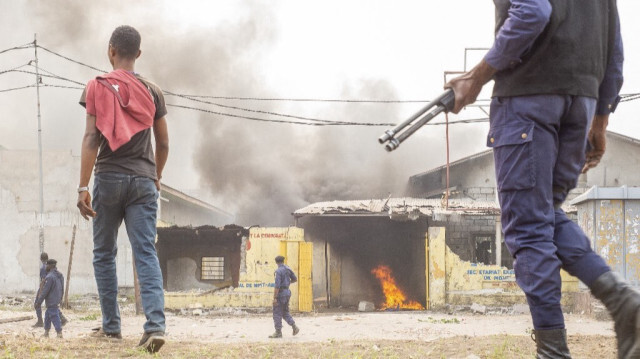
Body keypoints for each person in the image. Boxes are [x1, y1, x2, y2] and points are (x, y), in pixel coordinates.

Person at [445, 1, 633, 357]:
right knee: (544, 215)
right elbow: (615, 47)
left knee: (529, 228)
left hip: (528, 102)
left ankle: (553, 352)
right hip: (581, 103)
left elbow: (533, 11)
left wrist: (476, 77)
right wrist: (600, 118)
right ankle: (623, 302)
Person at [77, 25, 169, 353]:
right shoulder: (153, 91)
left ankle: (112, 328)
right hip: (144, 181)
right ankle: (155, 325)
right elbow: (164, 143)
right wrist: (155, 176)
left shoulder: (96, 87)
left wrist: (82, 187)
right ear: (139, 54)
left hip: (109, 178)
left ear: (111, 50)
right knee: (145, 251)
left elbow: (91, 138)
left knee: (104, 253)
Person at [33, 253, 68, 328]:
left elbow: (43, 281)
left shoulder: (43, 268)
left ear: (41, 259)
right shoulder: (57, 271)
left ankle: (40, 321)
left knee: (37, 303)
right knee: (52, 306)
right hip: (54, 289)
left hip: (46, 287)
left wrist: (40, 294)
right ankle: (62, 318)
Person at [269, 255, 300, 338]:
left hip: (281, 293)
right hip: (287, 292)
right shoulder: (288, 269)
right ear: (283, 261)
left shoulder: (278, 271)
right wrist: (287, 283)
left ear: (276, 262)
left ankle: (278, 332)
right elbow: (295, 279)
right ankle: (294, 327)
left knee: (277, 313)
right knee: (285, 312)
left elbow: (277, 286)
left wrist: (275, 298)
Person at [35, 259, 64, 338]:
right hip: (57, 298)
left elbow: (45, 291)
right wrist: (61, 298)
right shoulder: (60, 275)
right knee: (47, 315)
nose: (46, 267)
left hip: (51, 300)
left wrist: (39, 302)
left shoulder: (49, 277)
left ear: (50, 266)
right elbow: (62, 288)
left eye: (47, 265)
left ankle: (59, 333)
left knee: (54, 315)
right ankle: (46, 333)